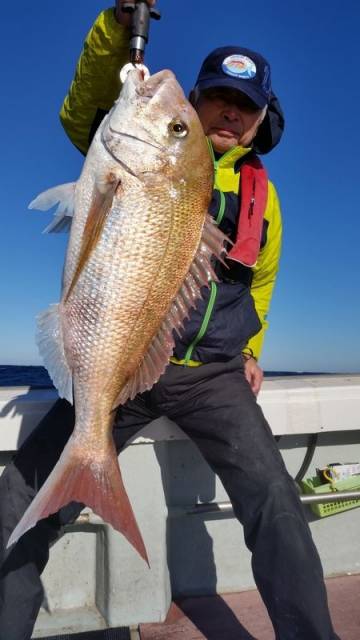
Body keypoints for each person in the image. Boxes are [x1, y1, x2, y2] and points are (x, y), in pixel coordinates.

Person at [0, 3, 341, 639]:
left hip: (212, 377)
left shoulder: (265, 202)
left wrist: (251, 350)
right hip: (122, 361)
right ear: (200, 103)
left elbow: (259, 284)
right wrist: (114, 27)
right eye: (215, 97)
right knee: (16, 501)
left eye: (245, 104)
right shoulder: (138, 144)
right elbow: (83, 111)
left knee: (277, 502)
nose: (230, 112)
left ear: (262, 119)